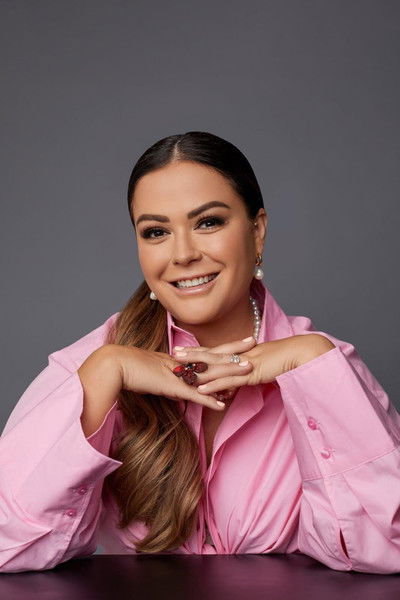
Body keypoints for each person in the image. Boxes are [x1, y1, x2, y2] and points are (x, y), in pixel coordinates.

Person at [1, 131, 399, 575]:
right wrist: (106, 372)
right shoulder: (90, 366)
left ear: (257, 231)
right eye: (156, 232)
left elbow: (388, 547)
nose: (183, 254)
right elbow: (6, 545)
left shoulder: (323, 367)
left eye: (208, 222)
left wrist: (308, 359)